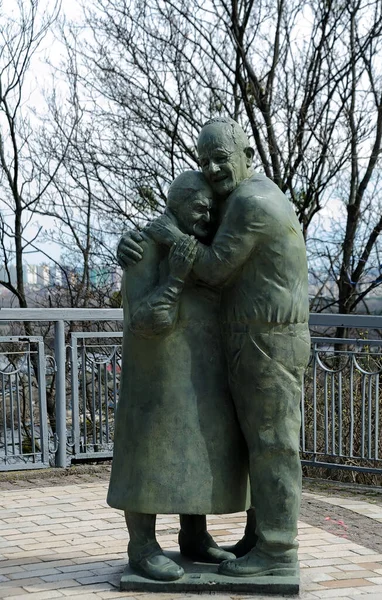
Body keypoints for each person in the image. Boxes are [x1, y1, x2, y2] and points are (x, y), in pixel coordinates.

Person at [119, 117, 310, 578]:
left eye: (220, 159)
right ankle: (257, 539)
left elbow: (215, 266)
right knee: (253, 444)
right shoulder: (239, 198)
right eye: (203, 162)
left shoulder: (251, 202)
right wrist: (137, 240)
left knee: (271, 446)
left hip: (266, 339)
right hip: (227, 347)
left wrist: (166, 234)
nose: (212, 170)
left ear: (247, 157)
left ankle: (278, 549)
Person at [107, 170, 249, 582]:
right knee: (148, 451)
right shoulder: (146, 249)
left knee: (194, 448)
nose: (207, 219)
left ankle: (194, 533)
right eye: (199, 210)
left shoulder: (207, 246)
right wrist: (175, 278)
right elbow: (145, 321)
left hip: (196, 370)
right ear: (176, 206)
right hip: (155, 375)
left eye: (211, 211)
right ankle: (142, 545)